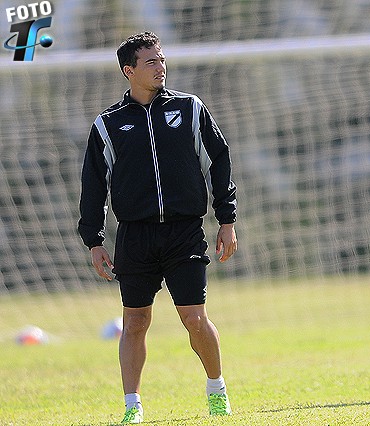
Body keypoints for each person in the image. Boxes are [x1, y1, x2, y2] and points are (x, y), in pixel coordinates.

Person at [78, 31, 237, 423]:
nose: (160, 67)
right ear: (129, 71)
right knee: (135, 322)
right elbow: (93, 184)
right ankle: (132, 407)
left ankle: (217, 390)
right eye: (151, 62)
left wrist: (227, 219)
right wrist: (94, 240)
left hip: (184, 231)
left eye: (161, 59)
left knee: (194, 318)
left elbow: (218, 161)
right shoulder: (108, 124)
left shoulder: (190, 109)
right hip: (135, 236)